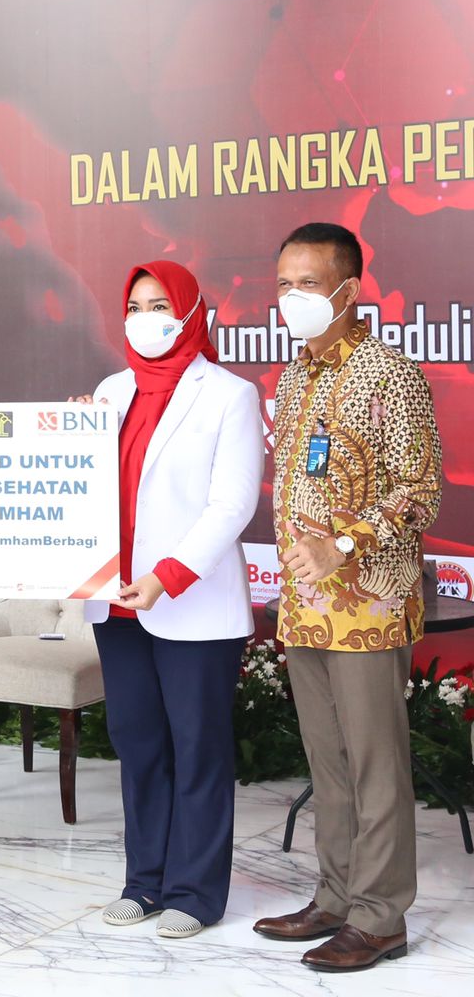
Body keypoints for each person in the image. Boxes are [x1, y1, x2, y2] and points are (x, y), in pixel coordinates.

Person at [252, 223, 442, 972]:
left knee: (373, 764)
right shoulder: (295, 376)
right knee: (327, 761)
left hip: (367, 601)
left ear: (348, 290)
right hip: (304, 605)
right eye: (282, 285)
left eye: (307, 283)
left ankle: (380, 915)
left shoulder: (390, 373)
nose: (291, 298)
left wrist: (347, 543)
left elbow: (419, 491)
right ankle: (334, 897)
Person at [73, 261, 262, 940]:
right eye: (133, 304)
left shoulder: (228, 395)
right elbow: (88, 487)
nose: (144, 316)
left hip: (191, 603)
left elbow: (233, 502)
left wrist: (169, 573)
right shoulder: (109, 390)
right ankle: (143, 882)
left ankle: (195, 892)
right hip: (117, 604)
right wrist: (63, 443)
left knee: (197, 746)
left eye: (159, 304)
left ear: (189, 313)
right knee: (139, 742)